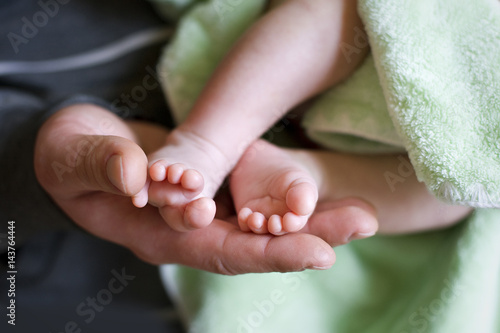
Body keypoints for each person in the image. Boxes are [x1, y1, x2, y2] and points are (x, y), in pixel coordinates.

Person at [145, 0, 471, 235]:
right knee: (334, 11)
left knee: (456, 196)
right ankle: (207, 141)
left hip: (427, 139)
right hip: (379, 33)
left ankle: (310, 174)